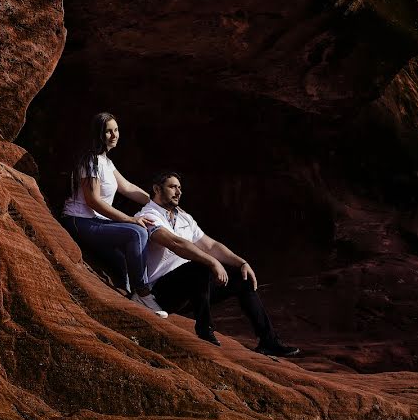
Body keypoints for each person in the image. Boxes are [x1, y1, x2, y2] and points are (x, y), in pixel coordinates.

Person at [136, 171, 299, 356]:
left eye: (180, 188)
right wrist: (212, 262)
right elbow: (175, 243)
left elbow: (211, 245)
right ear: (157, 189)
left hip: (193, 289)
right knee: (199, 266)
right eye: (172, 187)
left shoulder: (184, 218)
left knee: (241, 279)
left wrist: (241, 262)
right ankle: (205, 329)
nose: (178, 192)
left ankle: (268, 341)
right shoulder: (148, 215)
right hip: (161, 293)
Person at [59, 112, 167, 318]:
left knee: (133, 245)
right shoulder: (90, 160)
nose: (114, 135)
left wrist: (158, 204)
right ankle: (142, 293)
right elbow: (93, 201)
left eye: (116, 130)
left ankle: (138, 291)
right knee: (136, 233)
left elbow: (127, 187)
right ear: (98, 134)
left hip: (96, 221)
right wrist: (130, 219)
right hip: (79, 220)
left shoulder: (106, 162)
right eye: (108, 131)